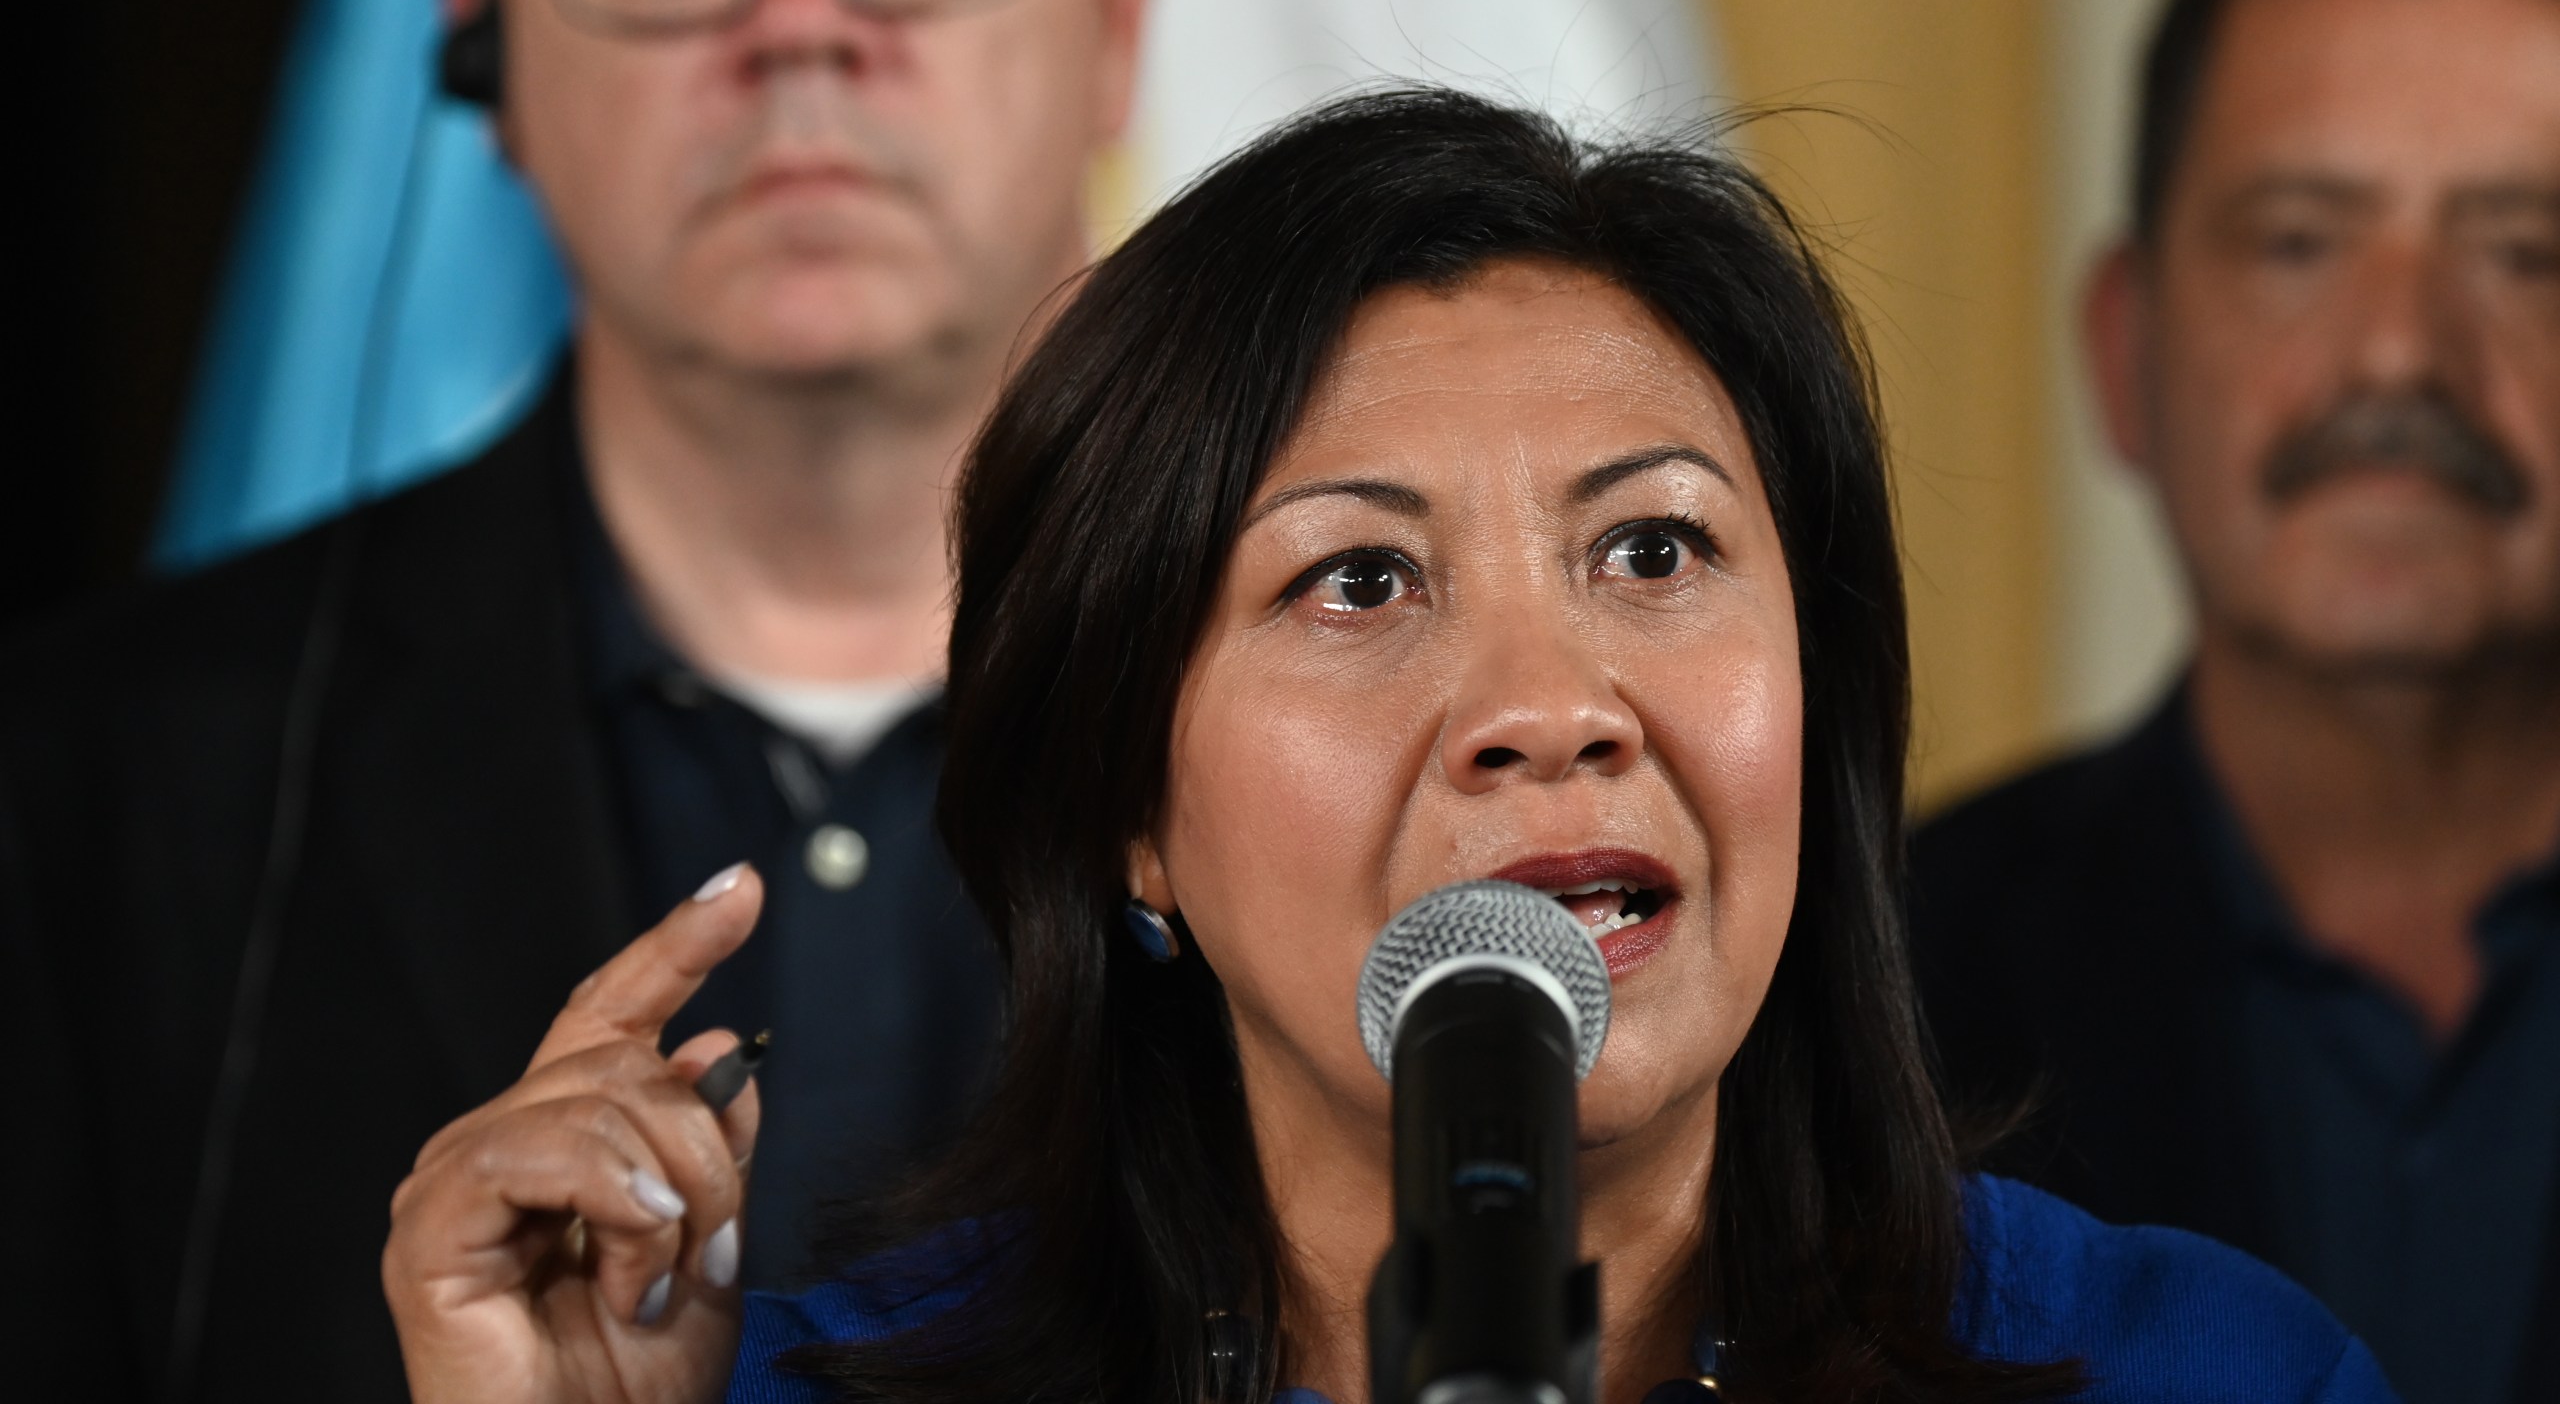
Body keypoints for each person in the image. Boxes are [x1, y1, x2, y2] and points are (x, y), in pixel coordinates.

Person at [378, 90, 2396, 1404]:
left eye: (1652, 547)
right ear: (1119, 815)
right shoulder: (762, 1392)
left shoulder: (2204, 1375)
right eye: (1356, 584)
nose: (1545, 705)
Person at [0, 0, 1152, 1400]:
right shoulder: (80, 791)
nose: (797, 20)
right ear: (480, 39)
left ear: (1117, 22)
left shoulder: (1422, 753)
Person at [1905, 0, 2560, 1402]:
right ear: (2124, 348)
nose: (2400, 351)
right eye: (2296, 243)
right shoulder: (1875, 987)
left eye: (2525, 254)